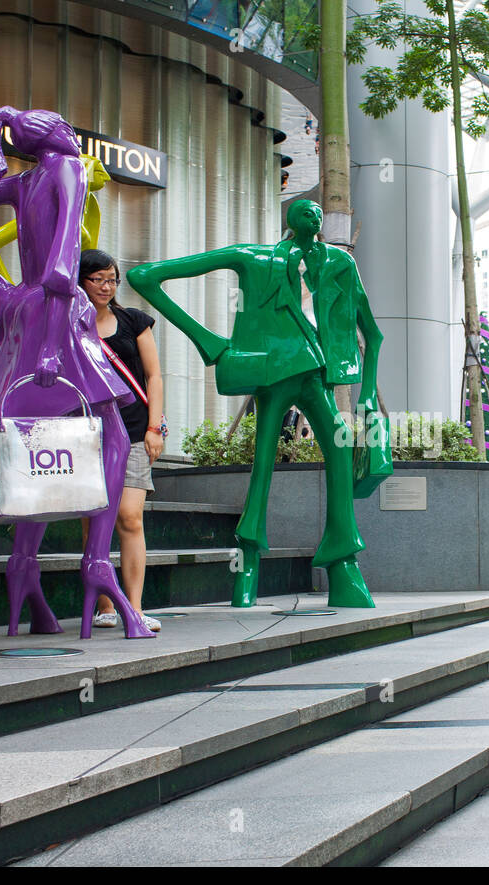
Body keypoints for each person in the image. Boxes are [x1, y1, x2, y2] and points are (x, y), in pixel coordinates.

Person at [0, 106, 153, 640]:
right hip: (58, 318)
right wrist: (51, 344)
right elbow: (63, 270)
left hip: (24, 313)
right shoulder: (66, 169)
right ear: (62, 135)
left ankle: (24, 571)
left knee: (33, 449)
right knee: (113, 437)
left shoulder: (22, 182)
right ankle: (96, 563)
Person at [128, 199, 385, 609]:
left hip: (316, 373)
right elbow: (144, 276)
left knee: (337, 449)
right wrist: (208, 342)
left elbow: (372, 334)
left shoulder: (338, 263)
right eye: (307, 211)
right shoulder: (252, 257)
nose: (315, 217)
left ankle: (342, 560)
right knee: (262, 465)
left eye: (320, 213)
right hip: (274, 372)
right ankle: (247, 564)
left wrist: (368, 392)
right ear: (289, 219)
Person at [77, 249, 166, 633]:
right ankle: (105, 605)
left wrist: (154, 428)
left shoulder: (134, 322)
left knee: (129, 517)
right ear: (80, 281)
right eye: (97, 279)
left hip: (130, 432)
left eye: (112, 278)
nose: (106, 286)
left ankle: (135, 606)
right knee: (94, 522)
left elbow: (154, 376)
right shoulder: (69, 325)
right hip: (84, 433)